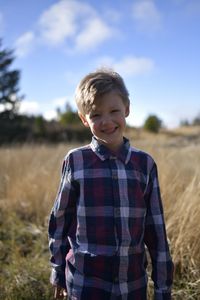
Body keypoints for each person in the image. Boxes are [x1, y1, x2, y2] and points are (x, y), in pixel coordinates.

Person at [48, 69, 174, 299]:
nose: (106, 121)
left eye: (114, 110)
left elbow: (155, 230)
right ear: (84, 119)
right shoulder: (76, 161)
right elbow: (60, 220)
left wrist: (163, 288)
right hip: (85, 284)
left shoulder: (144, 164)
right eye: (95, 115)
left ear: (127, 108)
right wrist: (57, 271)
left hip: (132, 285)